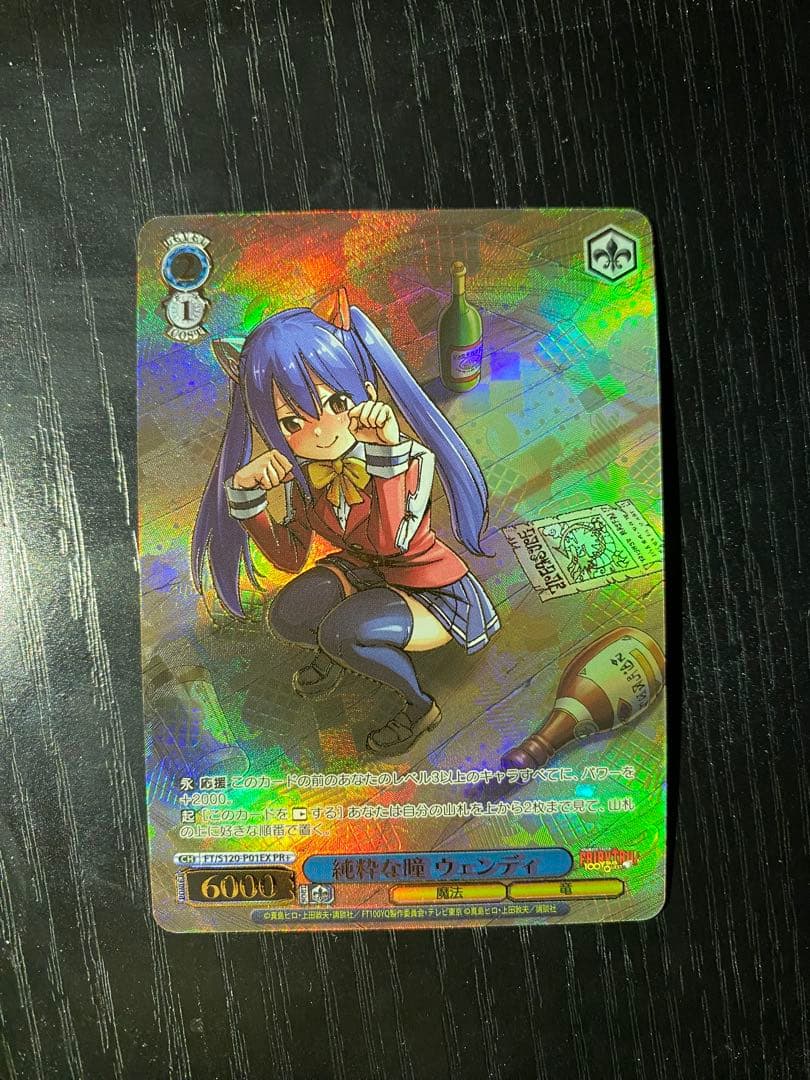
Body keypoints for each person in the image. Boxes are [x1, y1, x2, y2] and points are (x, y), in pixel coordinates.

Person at [192, 288, 499, 754]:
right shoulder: (303, 475)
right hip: (362, 574)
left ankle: (419, 706)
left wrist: (385, 455)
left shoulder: (409, 458)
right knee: (287, 615)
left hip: (429, 589)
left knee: (342, 631)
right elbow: (288, 557)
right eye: (291, 423)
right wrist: (249, 498)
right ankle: (344, 652)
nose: (319, 431)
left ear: (367, 394)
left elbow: (392, 542)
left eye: (336, 404)